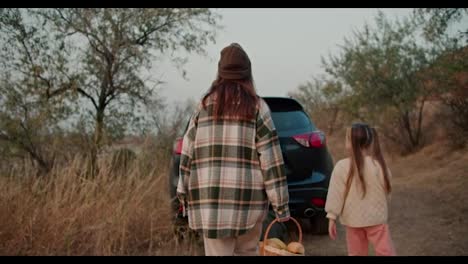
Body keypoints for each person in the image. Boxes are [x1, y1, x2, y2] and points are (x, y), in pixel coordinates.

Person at [176, 43, 290, 256]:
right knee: (248, 251)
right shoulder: (258, 108)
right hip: (248, 205)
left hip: (210, 206)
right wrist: (281, 207)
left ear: (220, 73)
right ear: (248, 73)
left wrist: (183, 195)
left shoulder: (203, 106)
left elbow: (187, 155)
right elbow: (272, 162)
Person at [325, 123, 396, 256]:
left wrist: (331, 217)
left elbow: (335, 194)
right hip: (376, 219)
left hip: (353, 221)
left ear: (350, 143)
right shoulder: (378, 165)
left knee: (356, 253)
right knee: (385, 251)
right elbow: (387, 186)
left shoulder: (342, 166)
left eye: (347, 138)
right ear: (368, 142)